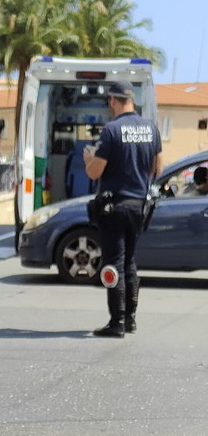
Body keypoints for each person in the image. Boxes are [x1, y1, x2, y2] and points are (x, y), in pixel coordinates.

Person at [83, 81, 163, 338]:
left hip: (114, 207)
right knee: (129, 263)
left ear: (113, 101)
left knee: (113, 264)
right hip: (139, 207)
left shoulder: (112, 130)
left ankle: (115, 322)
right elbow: (157, 169)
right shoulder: (151, 128)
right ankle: (130, 319)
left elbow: (96, 171)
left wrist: (88, 160)